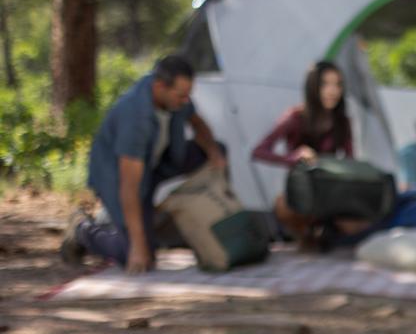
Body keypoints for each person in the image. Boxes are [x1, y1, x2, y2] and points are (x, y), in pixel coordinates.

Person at [61, 54, 226, 274]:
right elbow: (129, 187)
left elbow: (198, 124)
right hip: (117, 178)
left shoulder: (178, 99)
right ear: (159, 87)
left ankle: (158, 221)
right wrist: (138, 247)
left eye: (188, 95)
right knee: (137, 255)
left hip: (156, 164)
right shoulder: (134, 117)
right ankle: (82, 229)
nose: (186, 101)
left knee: (219, 148)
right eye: (181, 96)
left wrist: (214, 153)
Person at [252, 61, 356, 248]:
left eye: (338, 84)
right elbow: (259, 151)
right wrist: (293, 158)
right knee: (283, 206)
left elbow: (350, 162)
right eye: (325, 84)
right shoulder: (295, 117)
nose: (333, 91)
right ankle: (307, 234)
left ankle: (327, 231)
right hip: (302, 191)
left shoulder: (343, 121)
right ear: (312, 86)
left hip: (330, 190)